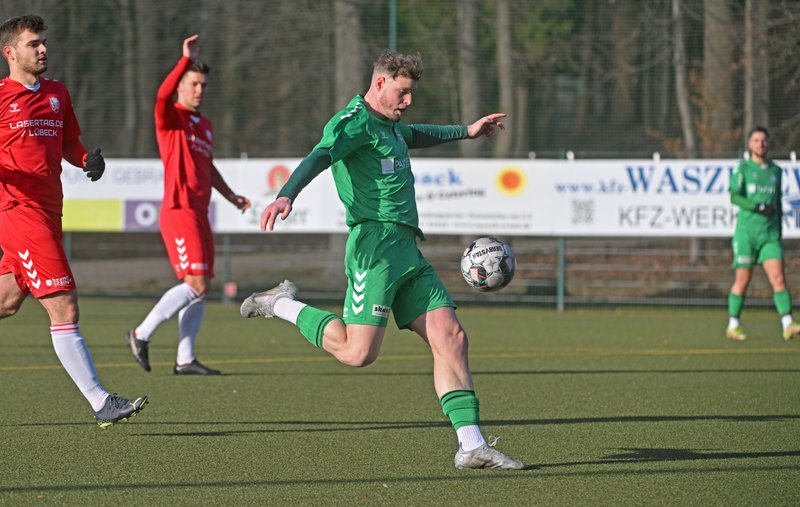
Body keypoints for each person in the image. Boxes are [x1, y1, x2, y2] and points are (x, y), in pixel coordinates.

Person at [240, 50, 526, 470]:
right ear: (379, 83)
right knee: (358, 353)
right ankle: (279, 303)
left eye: (412, 94)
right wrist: (287, 194)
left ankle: (471, 445)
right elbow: (320, 155)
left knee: (451, 337)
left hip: (407, 248)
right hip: (373, 249)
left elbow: (416, 134)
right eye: (402, 92)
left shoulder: (390, 126)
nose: (408, 101)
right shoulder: (353, 122)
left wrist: (467, 131)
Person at [0, 14, 147, 427]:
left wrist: (86, 160)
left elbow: (69, 142)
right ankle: (101, 402)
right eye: (33, 44)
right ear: (10, 53)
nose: (43, 49)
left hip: (50, 211)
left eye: (43, 42)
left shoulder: (57, 93)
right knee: (64, 306)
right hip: (18, 211)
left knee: (7, 302)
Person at [125, 34, 251, 375]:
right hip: (178, 210)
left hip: (200, 213)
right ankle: (140, 334)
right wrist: (183, 60)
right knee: (195, 284)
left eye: (203, 85)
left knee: (201, 287)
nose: (199, 90)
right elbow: (160, 95)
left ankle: (184, 359)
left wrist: (230, 196)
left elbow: (207, 167)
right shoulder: (170, 117)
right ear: (180, 85)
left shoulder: (204, 125)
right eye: (193, 83)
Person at [726, 126, 800, 342]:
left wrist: (779, 230)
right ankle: (733, 324)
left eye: (764, 140)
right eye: (757, 140)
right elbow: (734, 196)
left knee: (778, 278)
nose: (761, 144)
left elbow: (777, 202)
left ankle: (788, 323)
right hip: (747, 235)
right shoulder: (743, 169)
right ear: (750, 144)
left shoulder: (776, 171)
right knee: (743, 280)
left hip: (770, 236)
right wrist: (756, 207)